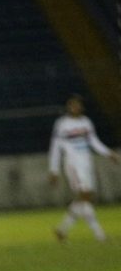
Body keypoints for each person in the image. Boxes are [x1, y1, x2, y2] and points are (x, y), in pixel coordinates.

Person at [49, 94, 120, 242]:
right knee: (85, 196)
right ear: (68, 107)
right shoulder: (62, 124)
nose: (75, 108)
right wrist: (53, 169)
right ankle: (99, 235)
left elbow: (94, 141)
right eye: (72, 105)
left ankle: (62, 229)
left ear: (81, 107)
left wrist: (109, 153)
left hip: (86, 163)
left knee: (85, 198)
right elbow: (56, 147)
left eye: (77, 105)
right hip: (72, 164)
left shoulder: (86, 122)